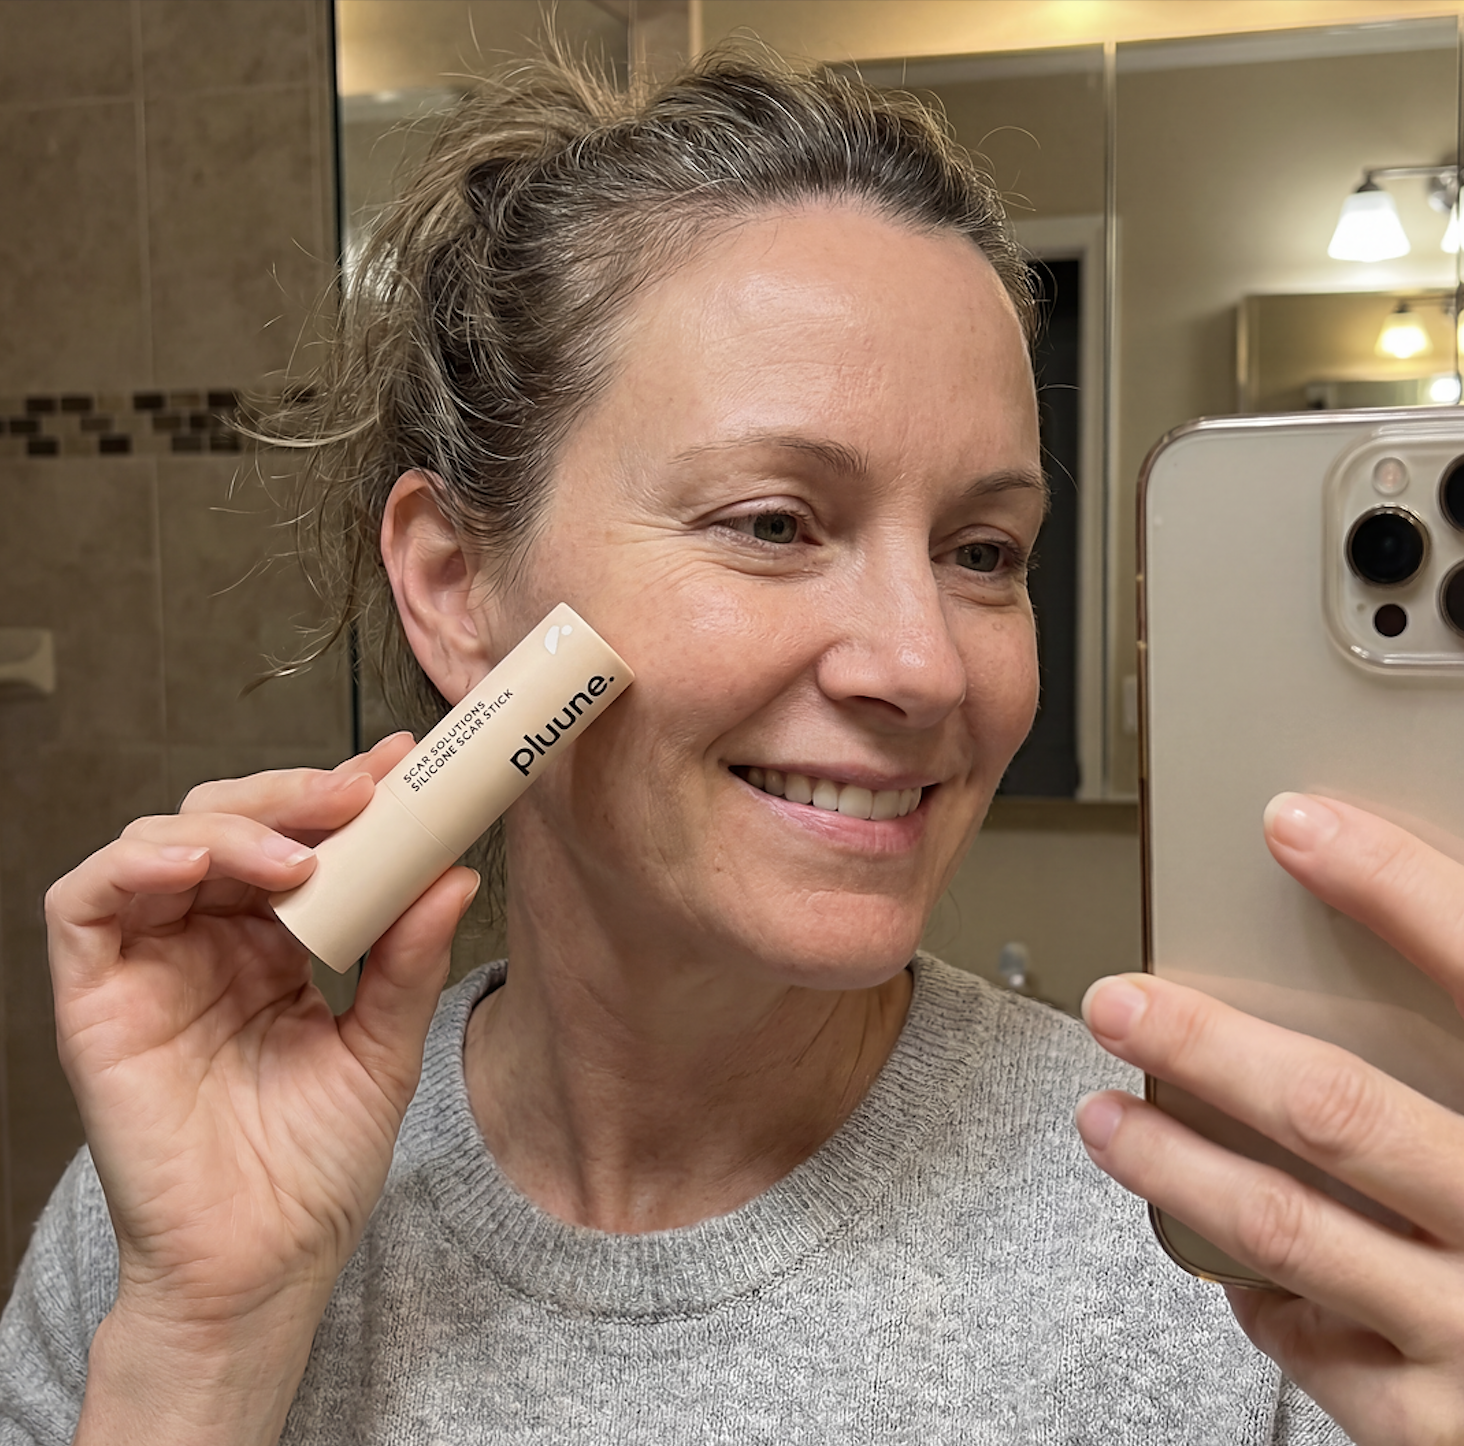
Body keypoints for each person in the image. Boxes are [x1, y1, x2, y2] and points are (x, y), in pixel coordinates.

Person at [1, 49, 1459, 1446]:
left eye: (984, 548)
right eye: (774, 523)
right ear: (454, 584)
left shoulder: (1243, 1261)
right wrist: (204, 1339)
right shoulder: (181, 1202)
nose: (921, 663)